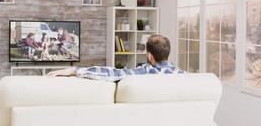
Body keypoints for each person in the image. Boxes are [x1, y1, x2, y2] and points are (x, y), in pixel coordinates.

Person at [47, 34, 185, 82]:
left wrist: (75, 71)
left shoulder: (144, 73)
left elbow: (112, 73)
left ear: (149, 55)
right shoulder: (183, 76)